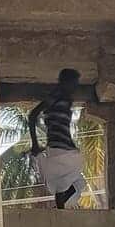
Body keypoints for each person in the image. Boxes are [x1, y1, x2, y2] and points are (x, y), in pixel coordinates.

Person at [28, 68, 86, 208]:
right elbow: (32, 116)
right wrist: (35, 144)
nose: (75, 87)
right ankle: (62, 207)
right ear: (65, 82)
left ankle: (61, 209)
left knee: (65, 182)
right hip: (60, 147)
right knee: (66, 181)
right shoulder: (55, 97)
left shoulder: (65, 99)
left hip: (62, 147)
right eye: (73, 83)